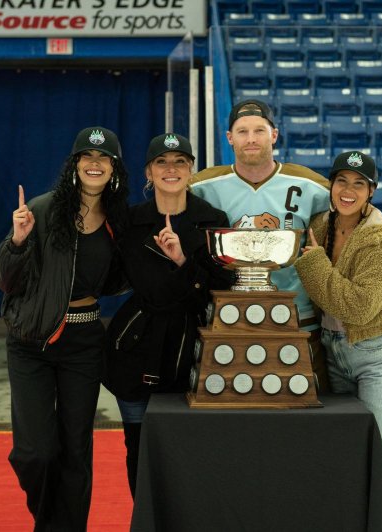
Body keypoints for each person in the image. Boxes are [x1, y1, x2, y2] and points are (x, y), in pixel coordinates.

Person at [189, 99, 382, 389]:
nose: (251, 139)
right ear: (229, 138)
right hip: (229, 319)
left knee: (306, 420)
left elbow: (353, 198)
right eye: (242, 132)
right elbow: (167, 198)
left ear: (274, 135)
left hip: (298, 320)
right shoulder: (204, 185)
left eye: (259, 130)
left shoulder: (308, 184)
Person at [0, 126, 129, 531]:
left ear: (114, 168)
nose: (95, 163)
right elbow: (3, 279)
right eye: (87, 156)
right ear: (75, 164)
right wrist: (16, 242)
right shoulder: (44, 209)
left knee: (74, 451)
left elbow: (118, 278)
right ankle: (50, 521)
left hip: (84, 343)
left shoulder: (118, 219)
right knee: (34, 452)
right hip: (31, 339)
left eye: (103, 158)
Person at [104, 133, 235, 498]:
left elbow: (221, 289)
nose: (171, 169)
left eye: (180, 161)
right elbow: (110, 275)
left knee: (189, 453)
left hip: (196, 355)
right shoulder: (129, 222)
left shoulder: (213, 220)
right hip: (135, 350)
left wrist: (181, 261)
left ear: (191, 170)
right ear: (148, 171)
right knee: (140, 448)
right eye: (161, 162)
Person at [293, 150, 382, 500]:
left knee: (378, 460)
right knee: (343, 454)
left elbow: (359, 309)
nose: (348, 190)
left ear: (371, 191)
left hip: (378, 356)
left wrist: (316, 265)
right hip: (332, 351)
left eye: (359, 184)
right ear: (330, 186)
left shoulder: (380, 240)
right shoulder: (319, 226)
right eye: (341, 181)